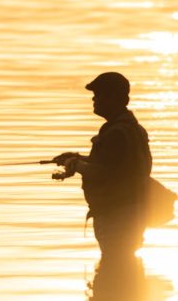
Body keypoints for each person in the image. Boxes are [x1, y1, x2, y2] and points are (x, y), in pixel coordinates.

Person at [53, 71, 152, 258]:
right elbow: (113, 165)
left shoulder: (117, 133)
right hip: (129, 213)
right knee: (123, 271)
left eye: (98, 95)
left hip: (118, 217)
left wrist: (75, 164)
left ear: (114, 97)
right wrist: (79, 157)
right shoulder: (129, 128)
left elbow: (103, 173)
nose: (94, 100)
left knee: (115, 272)